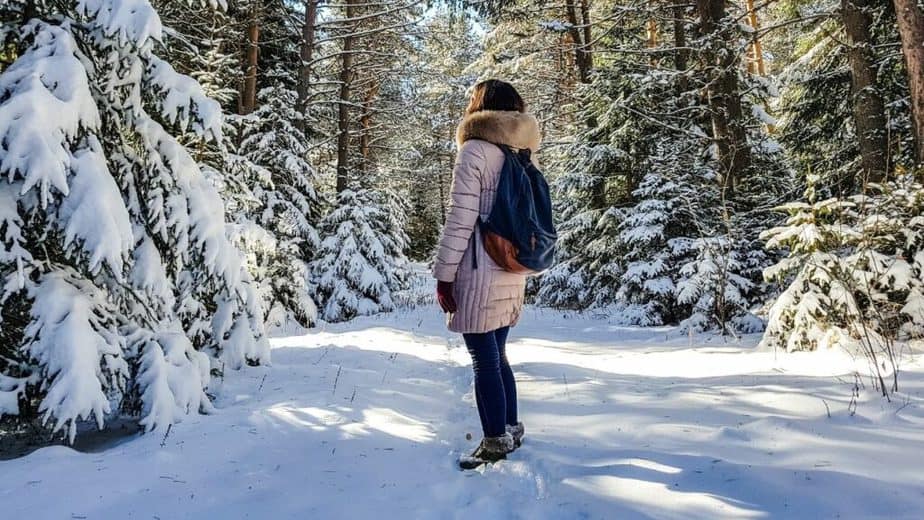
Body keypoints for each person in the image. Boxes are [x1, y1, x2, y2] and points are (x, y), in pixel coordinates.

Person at [431, 79, 540, 468]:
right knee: (499, 355)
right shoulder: (521, 152)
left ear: (480, 108)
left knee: (483, 359)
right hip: (512, 266)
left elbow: (460, 220)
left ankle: (495, 441)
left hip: (479, 268)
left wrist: (444, 274)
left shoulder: (474, 151)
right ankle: (510, 426)